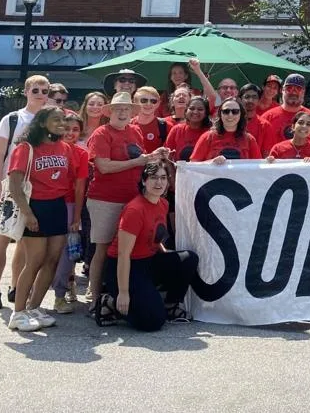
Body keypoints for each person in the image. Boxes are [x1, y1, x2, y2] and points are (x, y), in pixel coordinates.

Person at [87, 91, 169, 314]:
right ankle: (95, 298)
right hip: (105, 199)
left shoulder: (135, 131)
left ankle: (120, 292)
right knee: (103, 249)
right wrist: (139, 160)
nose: (123, 112)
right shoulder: (101, 134)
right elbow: (103, 166)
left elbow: (140, 161)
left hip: (132, 199)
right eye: (118, 108)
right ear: (110, 111)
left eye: (127, 109)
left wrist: (154, 155)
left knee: (129, 250)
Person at [101, 161, 199, 331]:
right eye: (153, 178)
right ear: (144, 181)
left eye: (163, 178)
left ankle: (171, 305)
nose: (159, 183)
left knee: (188, 259)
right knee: (152, 322)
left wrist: (165, 254)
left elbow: (154, 235)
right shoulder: (134, 210)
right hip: (126, 266)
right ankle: (109, 302)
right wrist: (123, 292)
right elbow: (123, 255)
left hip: (149, 260)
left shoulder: (163, 204)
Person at [5, 107, 78, 332]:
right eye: (55, 120)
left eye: (63, 120)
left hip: (57, 207)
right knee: (34, 260)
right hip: (35, 207)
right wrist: (28, 213)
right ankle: (18, 313)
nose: (61, 124)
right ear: (42, 122)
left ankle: (34, 307)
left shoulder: (65, 148)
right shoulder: (25, 148)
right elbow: (15, 185)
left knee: (52, 260)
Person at [0, 74, 50, 311]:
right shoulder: (12, 119)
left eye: (45, 91)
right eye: (36, 90)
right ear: (26, 92)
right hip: (12, 186)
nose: (41, 95)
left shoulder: (49, 120)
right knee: (1, 239)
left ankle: (15, 286)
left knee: (24, 242)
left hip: (38, 189)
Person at [51, 112, 89, 314]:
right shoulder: (47, 149)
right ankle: (31, 296)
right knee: (44, 252)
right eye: (66, 128)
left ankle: (59, 296)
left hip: (69, 206)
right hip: (47, 204)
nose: (70, 133)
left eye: (75, 129)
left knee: (68, 253)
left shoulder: (82, 154)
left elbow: (80, 188)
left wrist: (76, 217)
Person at [190, 98, 262, 164]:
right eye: (226, 111)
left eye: (235, 111)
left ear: (241, 114)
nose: (230, 115)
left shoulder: (249, 139)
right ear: (220, 114)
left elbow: (258, 166)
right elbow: (192, 165)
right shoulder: (208, 137)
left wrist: (269, 162)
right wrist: (210, 163)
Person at [260, 73, 310, 143]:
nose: (294, 93)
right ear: (282, 90)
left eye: (298, 89)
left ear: (303, 92)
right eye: (289, 88)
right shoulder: (267, 118)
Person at [164, 96, 212, 162]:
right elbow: (166, 157)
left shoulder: (211, 133)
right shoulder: (177, 130)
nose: (195, 112)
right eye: (192, 108)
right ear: (186, 111)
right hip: (179, 171)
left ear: (206, 113)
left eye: (200, 109)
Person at [131, 86, 173, 154]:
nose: (148, 104)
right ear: (135, 102)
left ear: (158, 104)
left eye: (153, 101)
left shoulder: (166, 126)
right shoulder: (126, 125)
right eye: (144, 100)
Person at [239, 83, 276, 156]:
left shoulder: (265, 126)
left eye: (254, 97)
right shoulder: (231, 122)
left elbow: (267, 155)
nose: (250, 100)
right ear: (240, 100)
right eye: (247, 97)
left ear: (259, 100)